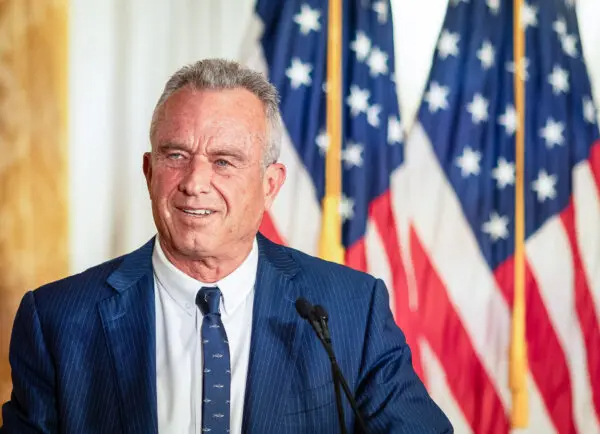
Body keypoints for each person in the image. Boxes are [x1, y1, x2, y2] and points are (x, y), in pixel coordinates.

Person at [0, 59, 452, 434]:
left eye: (224, 162)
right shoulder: (57, 320)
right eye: (176, 155)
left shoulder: (350, 308)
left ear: (270, 185)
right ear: (149, 171)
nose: (195, 183)